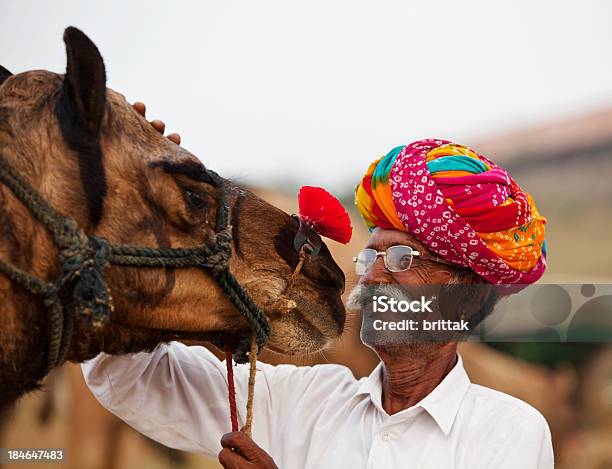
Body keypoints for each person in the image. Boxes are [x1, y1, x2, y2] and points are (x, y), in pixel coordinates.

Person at [82, 111, 552, 468]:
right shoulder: (307, 400)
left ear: (464, 293)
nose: (370, 277)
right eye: (370, 258)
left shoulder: (509, 432)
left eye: (402, 260)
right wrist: (133, 212)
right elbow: (132, 378)